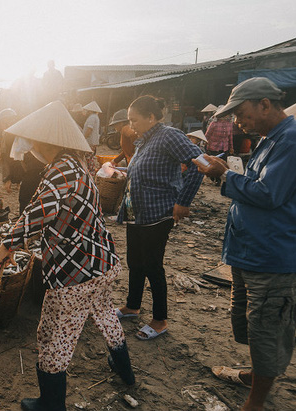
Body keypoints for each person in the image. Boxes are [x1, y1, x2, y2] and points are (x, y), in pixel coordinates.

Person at [0, 101, 135, 410]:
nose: (29, 145)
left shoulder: (61, 169)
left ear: (44, 141)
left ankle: (51, 403)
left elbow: (38, 212)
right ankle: (126, 372)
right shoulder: (76, 162)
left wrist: (8, 244)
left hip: (76, 272)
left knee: (53, 334)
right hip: (102, 261)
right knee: (105, 313)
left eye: (33, 140)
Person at [193, 77, 296, 411]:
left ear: (265, 104)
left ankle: (255, 402)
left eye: (241, 113)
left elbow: (269, 194)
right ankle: (257, 374)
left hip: (276, 256)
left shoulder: (295, 139)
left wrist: (224, 175)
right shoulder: (269, 139)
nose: (237, 122)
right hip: (251, 251)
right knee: (250, 325)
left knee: (267, 330)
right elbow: (256, 186)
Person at [116, 95, 203, 340]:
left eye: (134, 120)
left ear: (151, 117)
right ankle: (132, 306)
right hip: (136, 211)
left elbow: (199, 163)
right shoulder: (145, 139)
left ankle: (159, 320)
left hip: (158, 212)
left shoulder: (168, 135)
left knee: (153, 265)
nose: (130, 125)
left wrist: (183, 201)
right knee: (135, 261)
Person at [0, 108, 23, 193]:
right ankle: (17, 184)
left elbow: (3, 143)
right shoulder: (16, 127)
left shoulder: (6, 130)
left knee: (8, 168)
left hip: (8, 151)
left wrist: (1, 152)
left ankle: (8, 184)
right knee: (16, 166)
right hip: (14, 150)